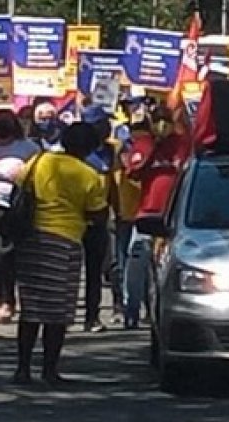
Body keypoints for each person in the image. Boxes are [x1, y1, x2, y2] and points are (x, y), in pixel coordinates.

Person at [13, 122, 109, 387]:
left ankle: (22, 367)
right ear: (90, 147)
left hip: (30, 239)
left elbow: (19, 187)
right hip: (64, 241)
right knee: (57, 312)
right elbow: (98, 215)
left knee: (31, 307)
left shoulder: (38, 161)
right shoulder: (89, 175)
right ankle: (49, 369)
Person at [0, 110, 39, 324]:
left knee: (17, 257)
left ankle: (18, 302)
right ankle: (1, 300)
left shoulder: (30, 149)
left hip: (19, 210)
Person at [114, 100, 152, 328]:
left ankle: (139, 308)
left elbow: (136, 172)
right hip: (124, 214)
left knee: (139, 264)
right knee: (125, 264)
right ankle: (129, 309)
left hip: (146, 215)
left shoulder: (148, 149)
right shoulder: (121, 148)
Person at [81, 104, 116, 333]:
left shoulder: (112, 151)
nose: (105, 127)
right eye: (100, 124)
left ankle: (92, 316)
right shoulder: (80, 155)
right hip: (76, 219)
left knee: (97, 270)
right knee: (71, 272)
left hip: (101, 218)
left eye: (106, 123)